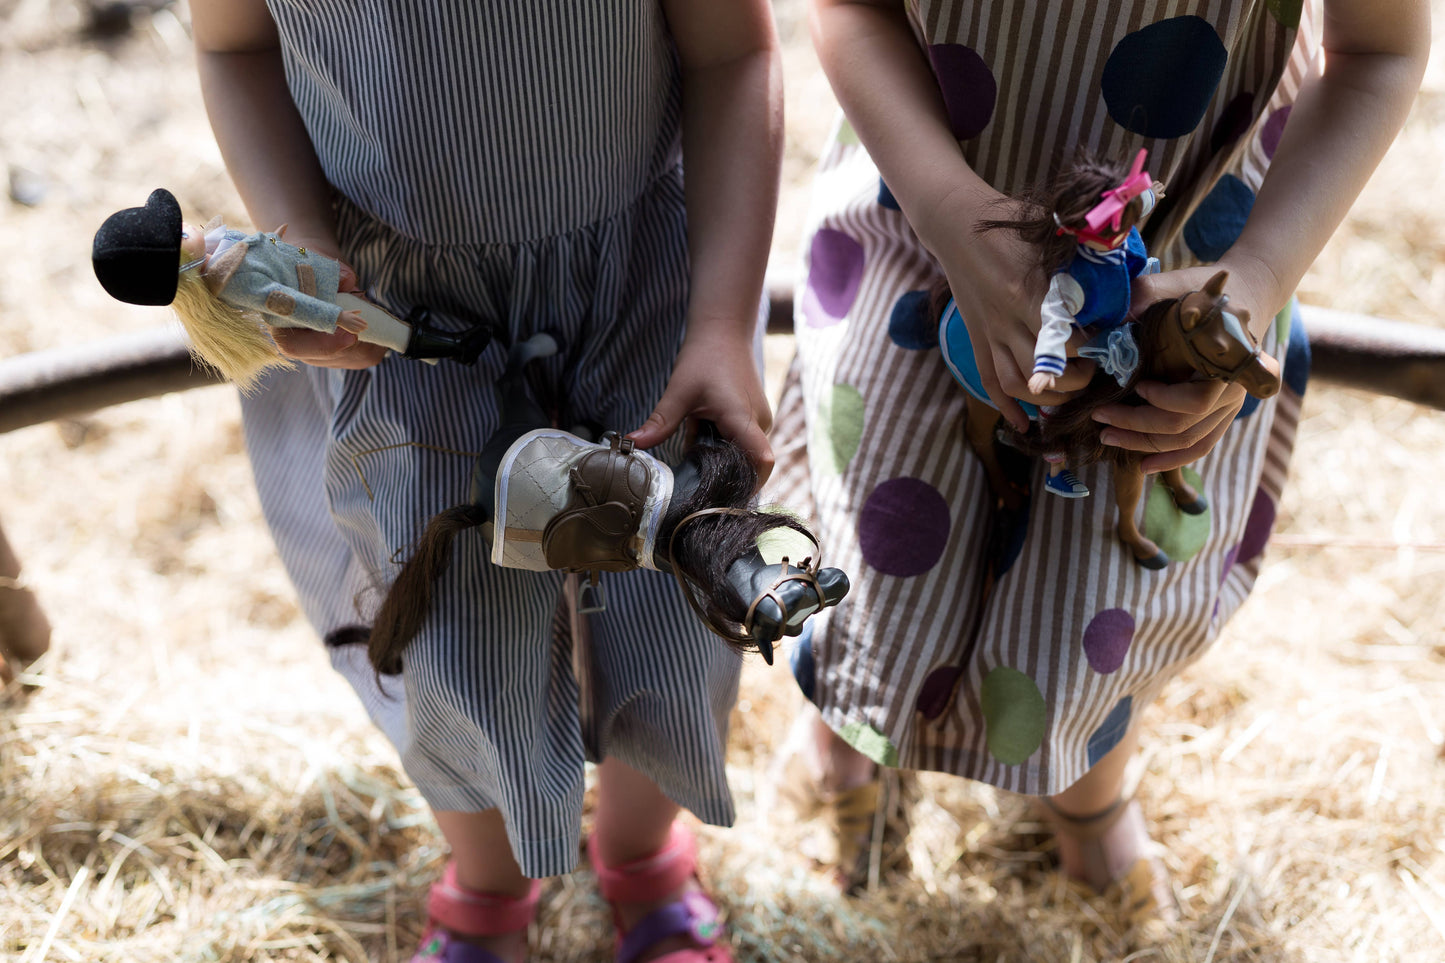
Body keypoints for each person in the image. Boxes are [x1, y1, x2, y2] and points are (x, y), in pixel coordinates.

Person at [769, 0, 1428, 930]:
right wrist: (953, 215)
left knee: (1096, 587)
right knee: (886, 532)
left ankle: (1086, 791)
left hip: (1192, 269)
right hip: (926, 206)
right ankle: (845, 739)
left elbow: (1379, 50)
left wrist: (1257, 278)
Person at [187, 2, 782, 961]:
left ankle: (640, 852)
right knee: (448, 627)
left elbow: (734, 51)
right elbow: (233, 42)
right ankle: (490, 879)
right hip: (393, 311)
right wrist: (304, 245)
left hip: (649, 279)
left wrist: (721, 318)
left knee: (676, 604)